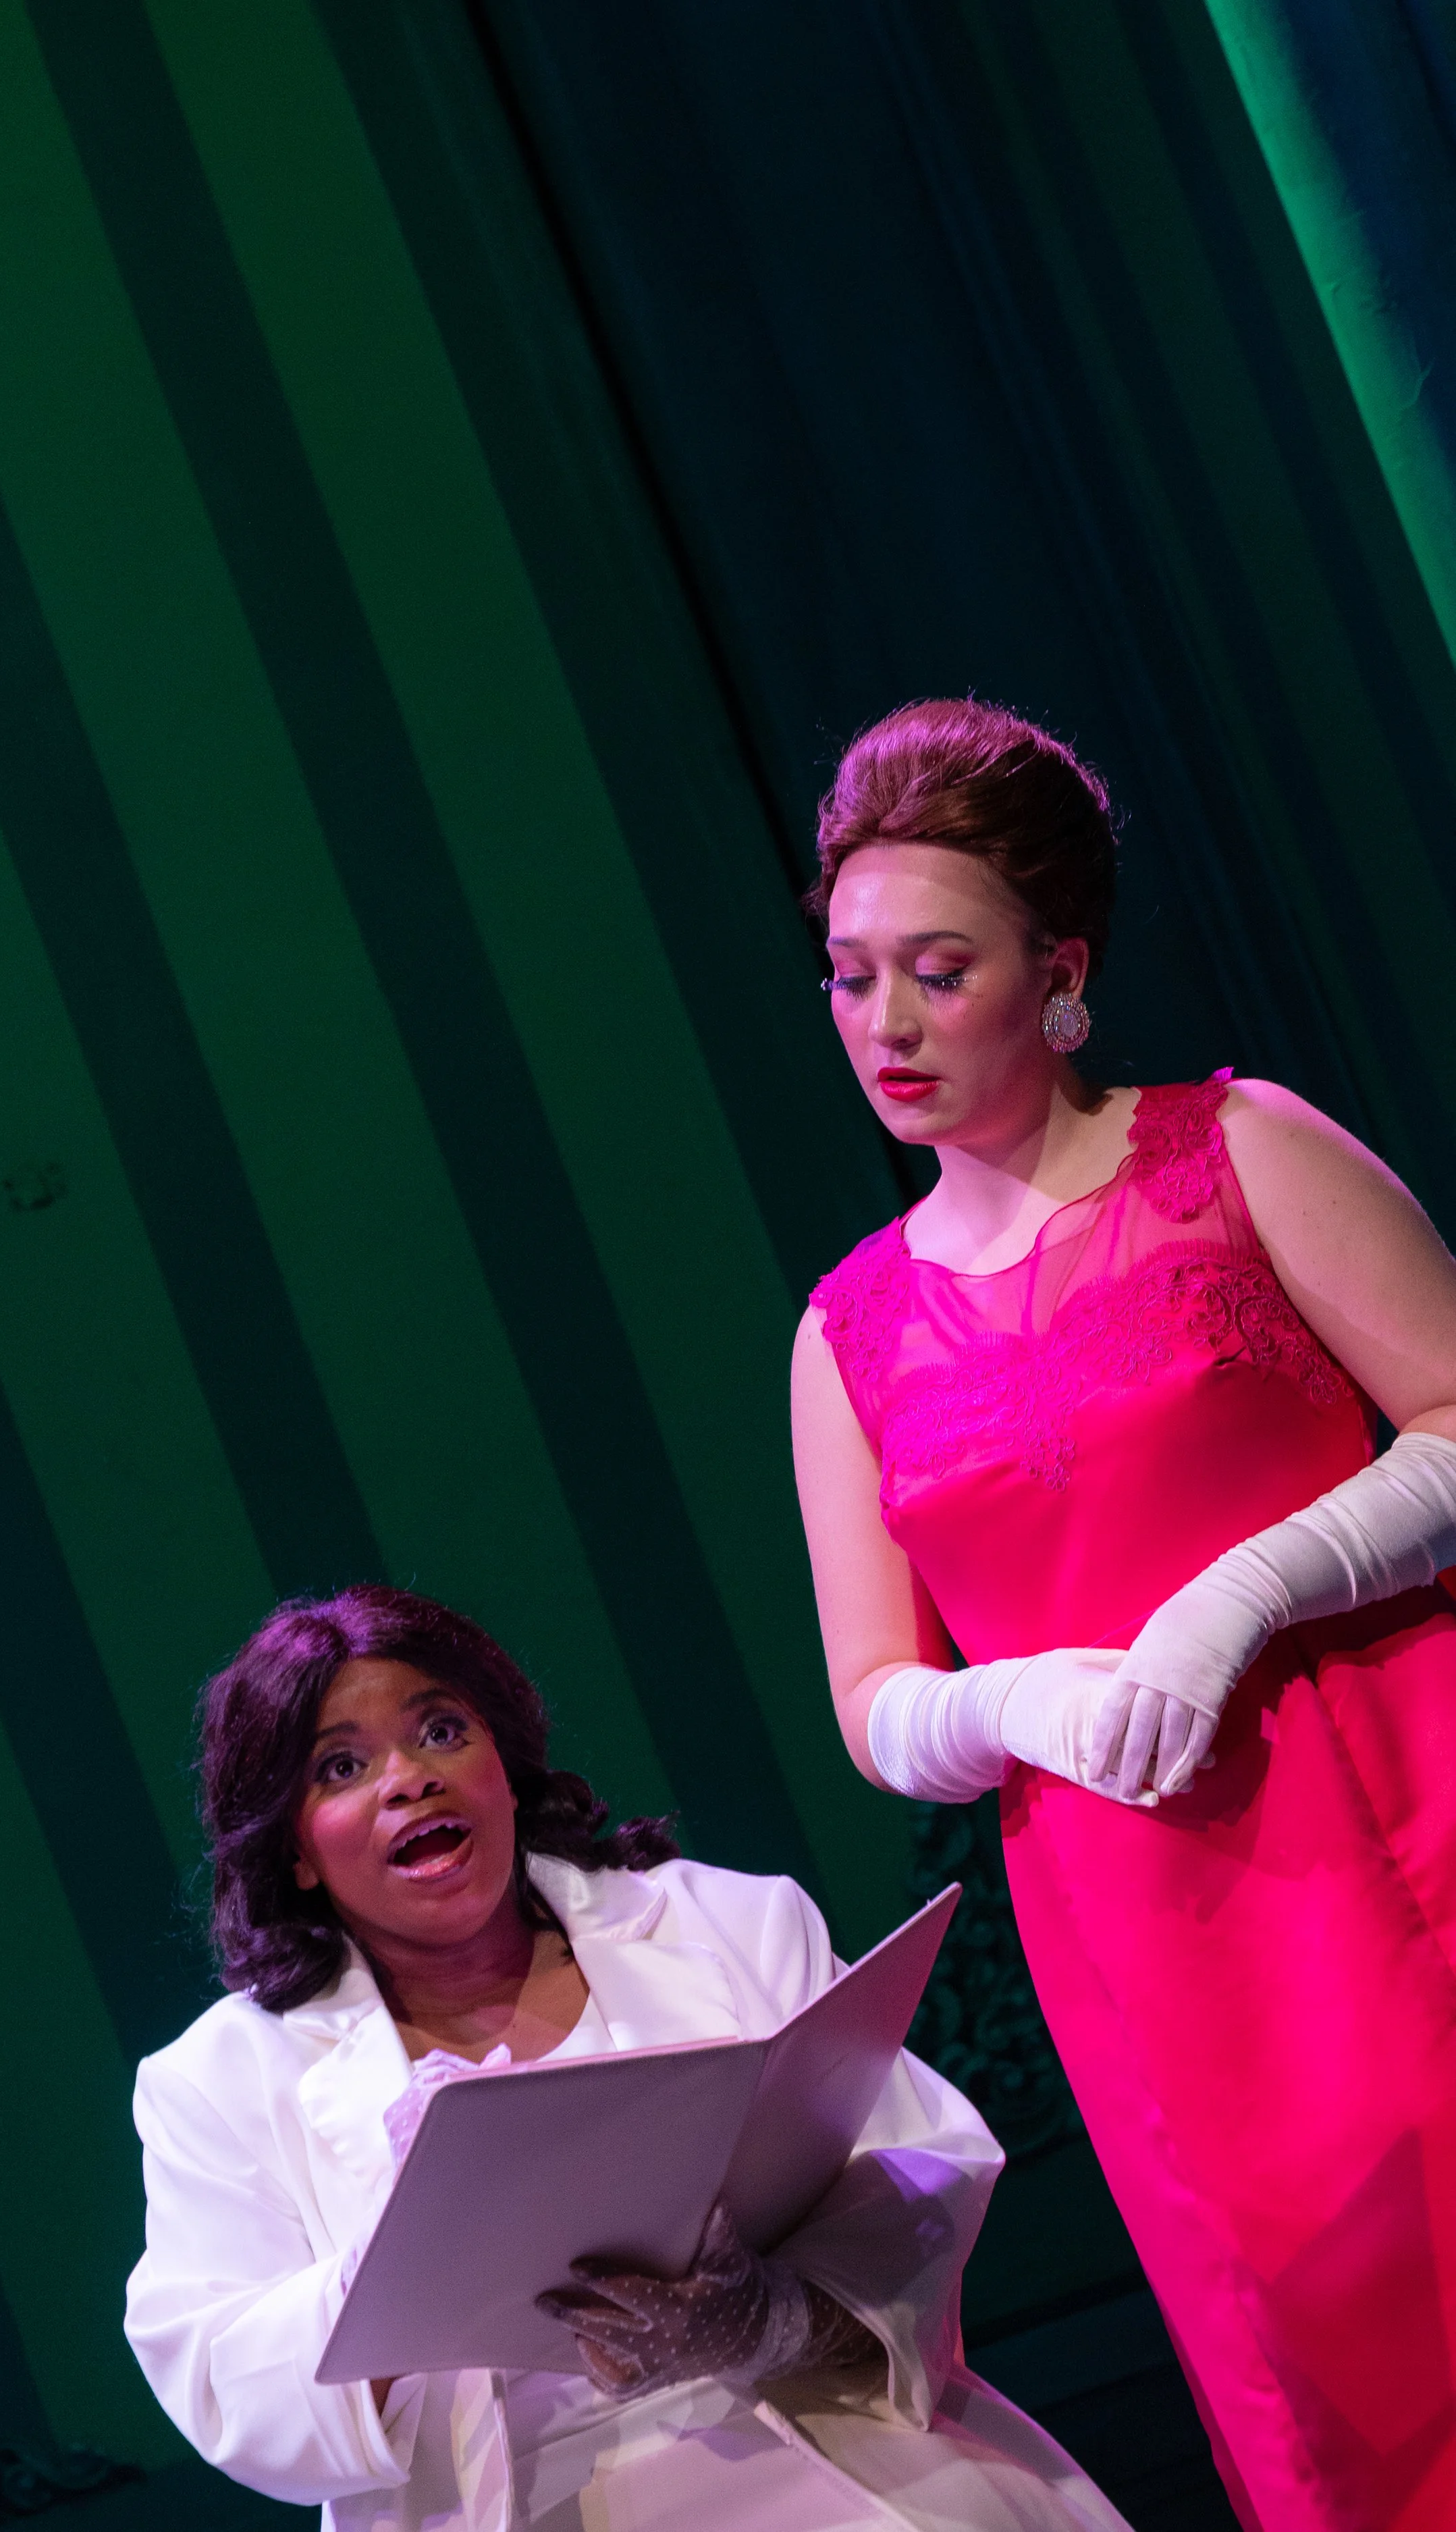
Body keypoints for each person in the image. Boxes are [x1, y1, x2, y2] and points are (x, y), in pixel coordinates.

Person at [792, 697, 1456, 2532]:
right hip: (1141, 1905)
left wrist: (1243, 1589)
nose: (890, 1022)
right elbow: (872, 1691)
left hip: (1397, 1806)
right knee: (1319, 2373)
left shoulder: (1232, 1148)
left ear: (1057, 970)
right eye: (852, 978)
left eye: (938, 967)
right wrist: (1020, 1703)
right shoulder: (845, 1330)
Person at [124, 1586, 1129, 2532]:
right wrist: (402, 2242)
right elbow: (219, 2379)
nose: (408, 1777)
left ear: (503, 1767)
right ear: (295, 1848)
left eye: (441, 1729)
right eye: (340, 1767)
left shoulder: (723, 1918)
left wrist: (771, 2321)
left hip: (827, 2454)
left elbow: (923, 2159)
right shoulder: (218, 2080)